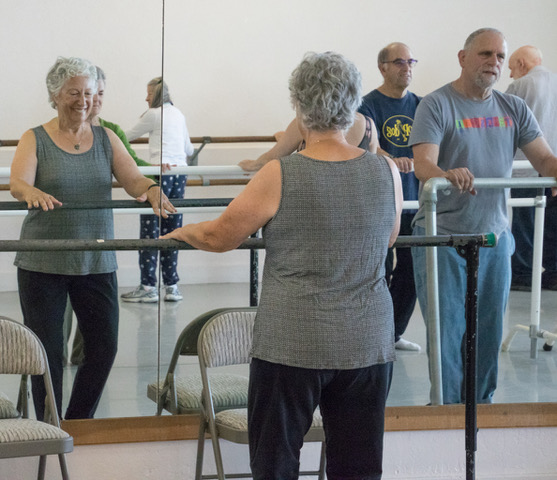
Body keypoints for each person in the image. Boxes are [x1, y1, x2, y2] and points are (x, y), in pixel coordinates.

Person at [163, 51, 402, 479]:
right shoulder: (386, 171)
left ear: (298, 107)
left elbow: (221, 237)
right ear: (353, 106)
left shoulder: (280, 173)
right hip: (367, 343)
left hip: (293, 344)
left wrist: (185, 231)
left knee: (275, 465)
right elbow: (386, 240)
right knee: (359, 468)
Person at [9, 56, 176, 420]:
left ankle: (78, 421)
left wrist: (149, 189)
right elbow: (18, 182)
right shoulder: (34, 138)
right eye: (73, 92)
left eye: (88, 92)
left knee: (103, 348)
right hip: (42, 262)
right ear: (55, 95)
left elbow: (132, 179)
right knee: (47, 353)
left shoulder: (106, 138)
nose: (83, 100)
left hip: (97, 262)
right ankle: (49, 424)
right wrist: (29, 193)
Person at [409, 28, 557, 405]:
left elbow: (543, 159)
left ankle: (480, 409)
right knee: (448, 331)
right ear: (463, 57)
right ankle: (446, 410)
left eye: (500, 57)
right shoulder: (436, 104)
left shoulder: (512, 108)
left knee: (489, 331)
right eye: (486, 54)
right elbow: (424, 164)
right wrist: (447, 174)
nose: (494, 63)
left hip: (493, 236)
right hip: (442, 236)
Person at [63, 65, 155, 366]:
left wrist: (152, 179)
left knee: (96, 333)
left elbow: (131, 164)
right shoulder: (52, 133)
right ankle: (54, 362)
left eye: (100, 94)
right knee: (59, 317)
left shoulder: (110, 132)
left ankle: (81, 360)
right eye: (90, 93)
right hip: (61, 239)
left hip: (97, 240)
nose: (95, 100)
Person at [359, 42, 422, 352]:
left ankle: (392, 333)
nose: (406, 67)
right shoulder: (367, 104)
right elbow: (367, 141)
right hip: (379, 202)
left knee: (412, 269)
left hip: (415, 202)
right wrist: (390, 159)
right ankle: (373, 331)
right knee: (379, 269)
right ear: (383, 67)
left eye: (410, 61)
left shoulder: (423, 105)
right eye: (399, 61)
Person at [121, 77, 194, 303]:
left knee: (151, 231)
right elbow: (189, 149)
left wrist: (143, 162)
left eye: (148, 94)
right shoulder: (179, 114)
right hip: (180, 174)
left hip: (159, 174)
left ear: (156, 95)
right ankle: (172, 286)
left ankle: (148, 286)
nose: (146, 98)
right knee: (173, 229)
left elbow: (121, 138)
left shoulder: (153, 115)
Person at [506, 46, 557, 291]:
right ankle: (554, 272)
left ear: (522, 64)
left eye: (511, 68)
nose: (510, 75)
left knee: (525, 222)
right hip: (554, 168)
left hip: (526, 165)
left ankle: (523, 274)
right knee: (552, 222)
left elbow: (503, 125)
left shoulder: (521, 86)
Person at [238, 111, 378, 172]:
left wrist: (250, 165)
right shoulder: (367, 125)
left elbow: (270, 158)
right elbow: (370, 166)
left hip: (315, 203)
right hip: (356, 208)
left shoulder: (305, 122)